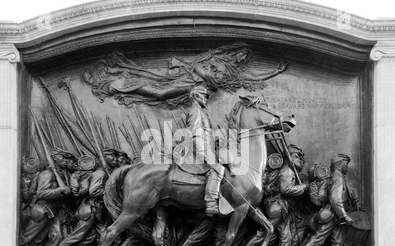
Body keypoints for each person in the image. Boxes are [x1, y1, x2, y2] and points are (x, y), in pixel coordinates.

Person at [82, 43, 288, 109]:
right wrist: (208, 78)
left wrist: (275, 72)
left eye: (245, 57)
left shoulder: (234, 72)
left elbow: (253, 77)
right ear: (234, 52)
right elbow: (198, 67)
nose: (242, 58)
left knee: (161, 93)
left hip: (197, 90)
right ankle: (123, 83)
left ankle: (126, 83)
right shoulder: (216, 60)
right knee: (161, 92)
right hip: (190, 82)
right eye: (240, 54)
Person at [285, 154, 355, 246]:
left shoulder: (337, 177)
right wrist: (344, 215)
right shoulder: (337, 178)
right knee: (317, 239)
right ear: (339, 164)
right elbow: (335, 199)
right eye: (346, 163)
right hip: (333, 215)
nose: (347, 167)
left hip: (335, 216)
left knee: (337, 242)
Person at [20, 148, 74, 246]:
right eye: (63, 158)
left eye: (67, 158)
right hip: (43, 210)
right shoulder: (47, 174)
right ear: (55, 158)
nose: (66, 161)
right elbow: (41, 193)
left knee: (58, 236)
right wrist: (60, 190)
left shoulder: (63, 174)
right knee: (29, 238)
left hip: (54, 211)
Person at [184, 86, 225, 216]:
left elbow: (205, 135)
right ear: (196, 96)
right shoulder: (196, 111)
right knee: (218, 169)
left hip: (206, 150)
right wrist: (204, 156)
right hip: (197, 153)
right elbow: (195, 134)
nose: (206, 99)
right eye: (204, 96)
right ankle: (211, 204)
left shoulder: (201, 111)